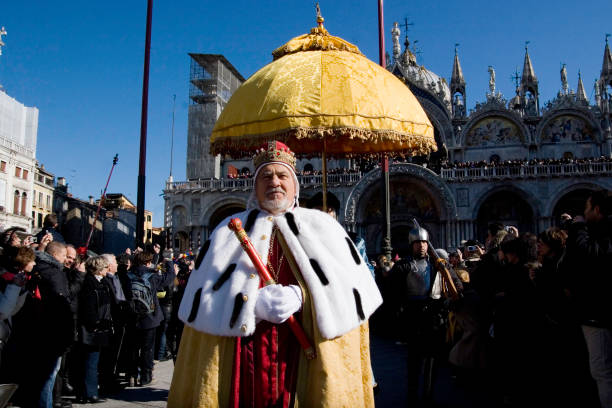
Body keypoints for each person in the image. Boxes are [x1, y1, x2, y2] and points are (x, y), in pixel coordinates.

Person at [168, 141, 382, 407]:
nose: (275, 182)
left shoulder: (325, 228)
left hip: (305, 356)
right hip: (243, 355)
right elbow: (205, 298)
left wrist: (302, 296)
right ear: (255, 186)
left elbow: (351, 295)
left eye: (282, 176)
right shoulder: (226, 231)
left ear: (295, 185)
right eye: (266, 176)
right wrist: (247, 302)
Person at [390, 227, 462, 404]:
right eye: (417, 243)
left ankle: (428, 395)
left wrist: (446, 278)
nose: (421, 246)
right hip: (413, 317)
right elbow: (393, 293)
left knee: (432, 360)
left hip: (434, 317)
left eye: (423, 242)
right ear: (411, 244)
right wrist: (401, 314)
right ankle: (412, 396)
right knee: (414, 361)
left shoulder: (437, 264)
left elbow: (457, 286)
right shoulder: (404, 265)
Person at [2, 241, 74, 408]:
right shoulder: (52, 273)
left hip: (29, 331)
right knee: (46, 378)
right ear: (55, 255)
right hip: (45, 331)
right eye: (65, 256)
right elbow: (5, 310)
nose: (34, 264)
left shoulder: (38, 272)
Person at [561, 190, 612, 407]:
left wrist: (578, 227)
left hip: (599, 314)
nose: (584, 213)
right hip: (599, 312)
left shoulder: (602, 233)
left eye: (587, 209)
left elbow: (586, 258)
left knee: (604, 372)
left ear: (598, 210)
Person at [127, 251, 176, 386]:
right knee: (147, 348)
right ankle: (146, 377)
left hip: (132, 315)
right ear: (148, 262)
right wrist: (169, 262)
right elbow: (170, 277)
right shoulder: (152, 276)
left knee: (132, 347)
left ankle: (132, 375)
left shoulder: (128, 275)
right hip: (149, 316)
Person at [75, 256, 113, 404]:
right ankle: (89, 393)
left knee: (93, 361)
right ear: (98, 269)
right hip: (91, 328)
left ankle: (88, 392)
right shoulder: (89, 283)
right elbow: (88, 306)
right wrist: (95, 322)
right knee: (90, 361)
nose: (107, 270)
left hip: (100, 326)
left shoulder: (102, 282)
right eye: (105, 267)